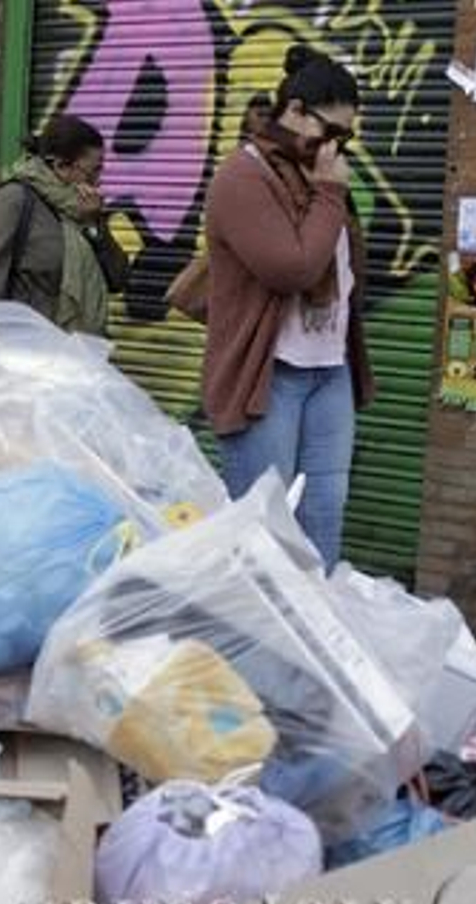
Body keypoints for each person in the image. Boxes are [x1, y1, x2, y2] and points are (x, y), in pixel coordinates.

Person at [202, 44, 375, 568]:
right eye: (332, 133)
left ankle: (315, 637)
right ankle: (255, 642)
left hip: (329, 370)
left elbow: (342, 270)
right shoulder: (244, 176)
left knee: (325, 513)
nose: (338, 149)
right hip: (268, 376)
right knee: (263, 527)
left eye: (347, 138)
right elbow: (292, 267)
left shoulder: (314, 174)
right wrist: (329, 195)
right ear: (295, 111)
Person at [0, 115, 128, 332]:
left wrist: (93, 224)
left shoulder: (83, 209)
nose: (99, 179)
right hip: (26, 350)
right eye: (94, 170)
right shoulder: (14, 200)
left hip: (75, 352)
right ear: (61, 166)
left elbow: (118, 278)